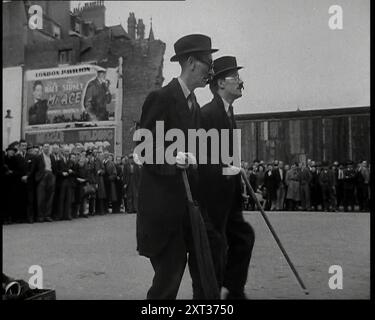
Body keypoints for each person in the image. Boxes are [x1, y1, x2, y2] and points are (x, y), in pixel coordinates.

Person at [137, 34, 217, 299]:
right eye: (209, 64)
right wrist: (173, 157)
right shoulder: (160, 98)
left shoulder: (194, 105)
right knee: (167, 282)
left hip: (189, 209)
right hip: (164, 212)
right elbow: (142, 148)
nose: (211, 71)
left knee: (204, 270)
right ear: (192, 63)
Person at [200, 56, 255, 299]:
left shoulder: (229, 113)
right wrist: (227, 171)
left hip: (229, 198)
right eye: (235, 78)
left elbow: (228, 160)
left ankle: (231, 290)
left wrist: (237, 181)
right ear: (221, 83)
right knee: (217, 251)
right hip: (212, 202)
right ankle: (224, 293)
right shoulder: (208, 114)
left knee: (244, 237)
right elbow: (201, 161)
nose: (241, 82)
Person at [32, 143, 56, 222]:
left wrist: (53, 176)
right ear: (42, 148)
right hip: (42, 177)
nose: (46, 148)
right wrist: (37, 178)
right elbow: (34, 168)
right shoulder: (38, 157)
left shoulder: (52, 157)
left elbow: (54, 167)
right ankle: (40, 216)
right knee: (41, 197)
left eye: (48, 147)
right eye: (45, 147)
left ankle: (47, 215)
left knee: (50, 197)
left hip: (51, 176)